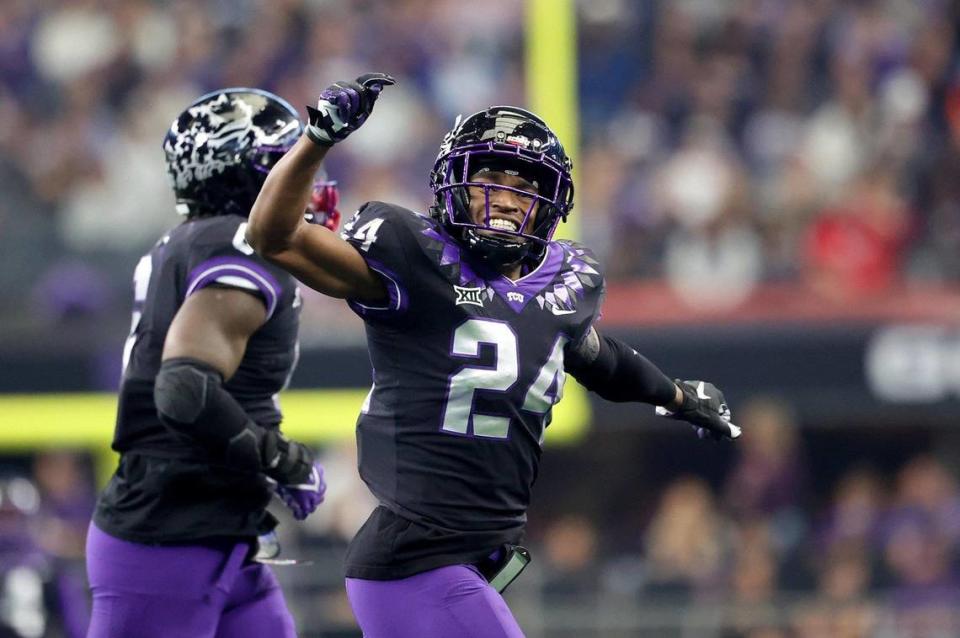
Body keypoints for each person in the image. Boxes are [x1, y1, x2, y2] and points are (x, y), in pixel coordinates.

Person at [246, 73, 741, 637]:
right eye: (491, 178)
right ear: (454, 184)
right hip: (414, 557)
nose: (506, 198)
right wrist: (319, 137)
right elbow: (275, 237)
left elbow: (597, 359)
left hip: (467, 559)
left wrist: (678, 396)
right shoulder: (411, 257)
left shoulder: (562, 286)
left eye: (524, 184)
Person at [85, 88, 338, 638]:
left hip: (218, 528)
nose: (307, 184)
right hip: (169, 534)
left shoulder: (199, 240)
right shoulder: (237, 243)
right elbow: (183, 389)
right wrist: (282, 460)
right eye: (286, 164)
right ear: (246, 176)